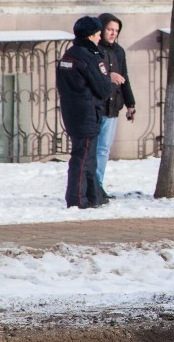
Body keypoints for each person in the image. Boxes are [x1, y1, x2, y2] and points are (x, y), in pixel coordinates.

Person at [57, 15, 122, 208]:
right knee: (84, 157)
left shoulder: (68, 55)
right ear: (92, 35)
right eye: (98, 34)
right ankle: (79, 198)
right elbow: (103, 88)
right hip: (87, 114)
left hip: (72, 112)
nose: (100, 37)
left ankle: (93, 196)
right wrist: (108, 81)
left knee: (86, 155)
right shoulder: (90, 57)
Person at [94, 13, 136, 199]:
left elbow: (124, 77)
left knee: (104, 149)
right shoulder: (93, 49)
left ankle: (98, 184)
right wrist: (108, 76)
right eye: (109, 29)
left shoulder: (119, 51)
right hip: (95, 106)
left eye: (116, 31)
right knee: (92, 148)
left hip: (113, 106)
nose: (112, 33)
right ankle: (90, 185)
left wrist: (130, 103)